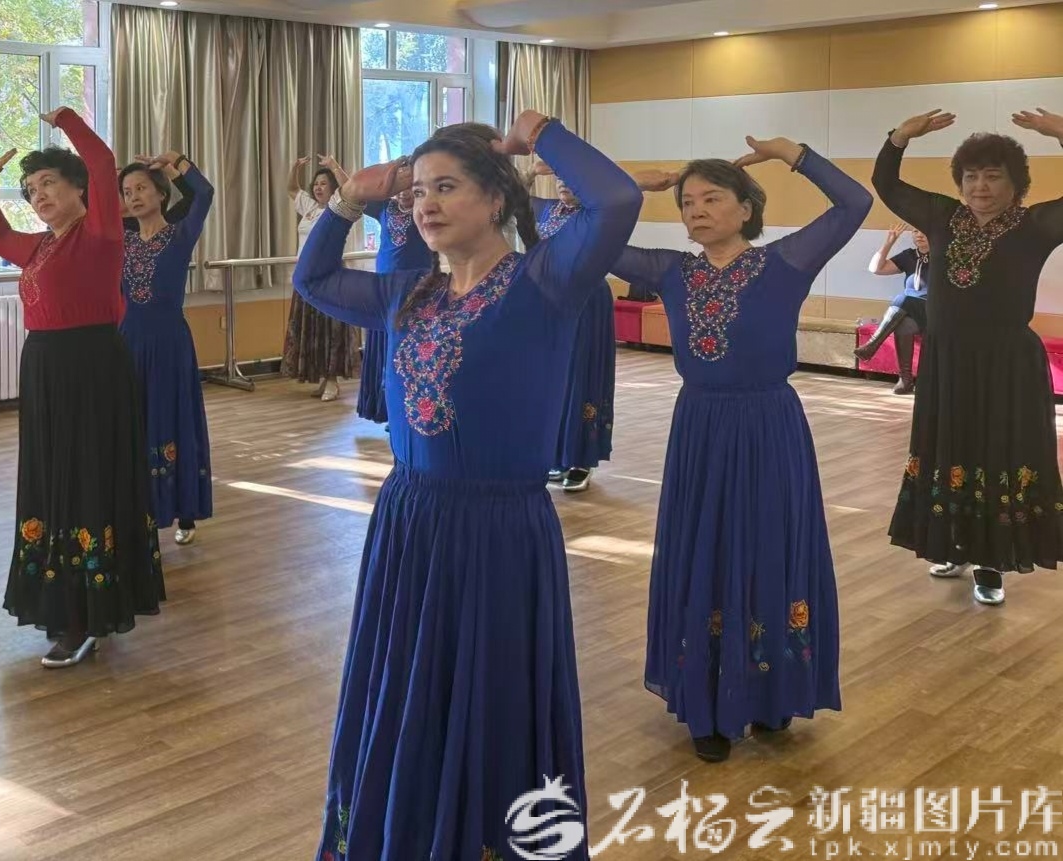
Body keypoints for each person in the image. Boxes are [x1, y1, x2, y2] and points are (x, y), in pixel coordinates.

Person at [295, 112, 642, 860]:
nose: (426, 203)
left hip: (497, 530)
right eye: (419, 190)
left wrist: (538, 134)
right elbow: (312, 279)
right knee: (406, 688)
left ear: (496, 199)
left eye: (447, 187)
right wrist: (347, 201)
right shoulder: (406, 292)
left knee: (491, 693)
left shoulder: (545, 281)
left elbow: (615, 200)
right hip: (409, 523)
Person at [611, 135, 873, 762]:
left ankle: (771, 690)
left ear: (746, 208)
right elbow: (584, 236)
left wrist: (794, 155)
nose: (696, 210)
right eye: (686, 202)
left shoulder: (786, 262)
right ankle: (706, 701)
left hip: (768, 426)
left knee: (768, 546)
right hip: (700, 428)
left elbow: (855, 203)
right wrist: (628, 189)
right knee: (703, 547)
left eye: (711, 198)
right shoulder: (669, 270)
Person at [0, 107, 164, 668]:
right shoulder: (39, 247)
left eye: (48, 183)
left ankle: (86, 615)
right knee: (50, 479)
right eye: (31, 189)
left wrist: (65, 119)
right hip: (44, 368)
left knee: (86, 480)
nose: (38, 195)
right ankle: (59, 601)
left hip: (91, 367)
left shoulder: (101, 232)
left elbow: (103, 161)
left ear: (78, 188)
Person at [873, 108, 1063, 605]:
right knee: (949, 450)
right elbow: (886, 184)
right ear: (959, 182)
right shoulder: (941, 215)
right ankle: (952, 544)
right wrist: (900, 135)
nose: (980, 186)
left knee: (996, 453)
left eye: (993, 176)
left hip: (1006, 366)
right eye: (971, 176)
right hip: (948, 362)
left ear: (1015, 184)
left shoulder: (1035, 225)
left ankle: (990, 562)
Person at [118, 150, 215, 546]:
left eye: (141, 188)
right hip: (128, 342)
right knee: (134, 424)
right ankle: (140, 507)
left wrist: (176, 162)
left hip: (169, 344)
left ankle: (184, 509)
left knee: (173, 419)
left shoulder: (179, 234)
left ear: (161, 193)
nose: (134, 197)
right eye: (127, 192)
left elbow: (203, 193)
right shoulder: (121, 239)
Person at [526, 160, 616, 492]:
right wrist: (530, 173)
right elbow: (507, 198)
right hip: (548, 301)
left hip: (586, 302)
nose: (564, 182)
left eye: (573, 177)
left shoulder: (597, 214)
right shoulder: (546, 209)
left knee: (582, 375)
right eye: (560, 176)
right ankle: (556, 454)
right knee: (552, 377)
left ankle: (581, 458)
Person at [283, 155, 361, 402]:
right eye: (315, 184)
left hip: (327, 275)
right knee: (311, 328)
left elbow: (351, 188)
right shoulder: (309, 208)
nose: (318, 188)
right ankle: (322, 378)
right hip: (305, 276)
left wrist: (334, 166)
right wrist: (295, 168)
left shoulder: (337, 208)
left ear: (332, 188)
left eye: (323, 184)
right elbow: (291, 189)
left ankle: (332, 380)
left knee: (330, 329)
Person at [357, 170, 432, 425]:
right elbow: (356, 190)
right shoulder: (384, 209)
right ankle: (386, 410)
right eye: (398, 189)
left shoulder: (425, 209)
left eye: (408, 187)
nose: (403, 193)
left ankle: (410, 410)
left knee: (408, 351)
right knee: (384, 350)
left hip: (416, 292)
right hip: (384, 291)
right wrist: (334, 166)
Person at [855, 223, 930, 394]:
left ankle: (872, 344)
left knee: (902, 298)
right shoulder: (909, 256)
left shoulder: (943, 256)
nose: (919, 235)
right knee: (903, 325)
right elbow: (875, 268)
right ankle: (905, 380)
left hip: (934, 310)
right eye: (916, 231)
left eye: (924, 232)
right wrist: (889, 242)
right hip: (913, 313)